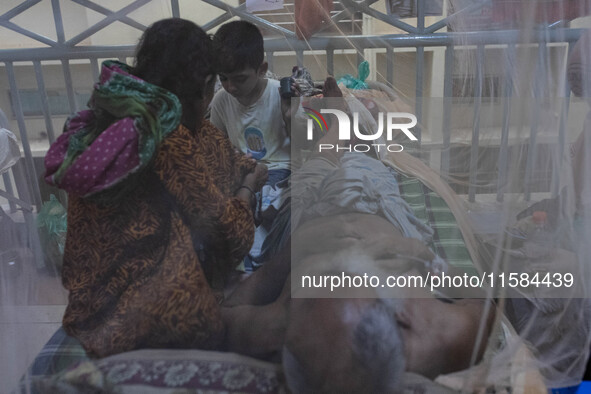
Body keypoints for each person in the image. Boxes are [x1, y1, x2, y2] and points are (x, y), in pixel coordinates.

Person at [221, 78, 496, 392]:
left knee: (318, 161)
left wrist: (291, 256)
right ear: (401, 317)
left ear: (290, 332)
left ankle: (336, 129)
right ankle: (345, 131)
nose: (345, 268)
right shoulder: (437, 337)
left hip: (306, 221)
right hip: (377, 209)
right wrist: (430, 262)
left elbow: (221, 312)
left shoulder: (276, 327)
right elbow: (484, 299)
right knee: (364, 162)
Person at [43, 18, 267, 358]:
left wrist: (246, 172)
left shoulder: (122, 117)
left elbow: (223, 154)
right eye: (217, 84)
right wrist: (248, 190)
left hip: (90, 308)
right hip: (135, 320)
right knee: (270, 305)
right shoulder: (164, 135)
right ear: (206, 84)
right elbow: (233, 235)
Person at [210, 20, 303, 268]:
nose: (230, 87)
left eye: (239, 79)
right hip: (242, 174)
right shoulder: (221, 101)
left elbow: (302, 150)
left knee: (287, 206)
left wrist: (289, 117)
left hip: (282, 173)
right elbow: (218, 149)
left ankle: (262, 261)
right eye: (224, 78)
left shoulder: (280, 95)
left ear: (262, 69)